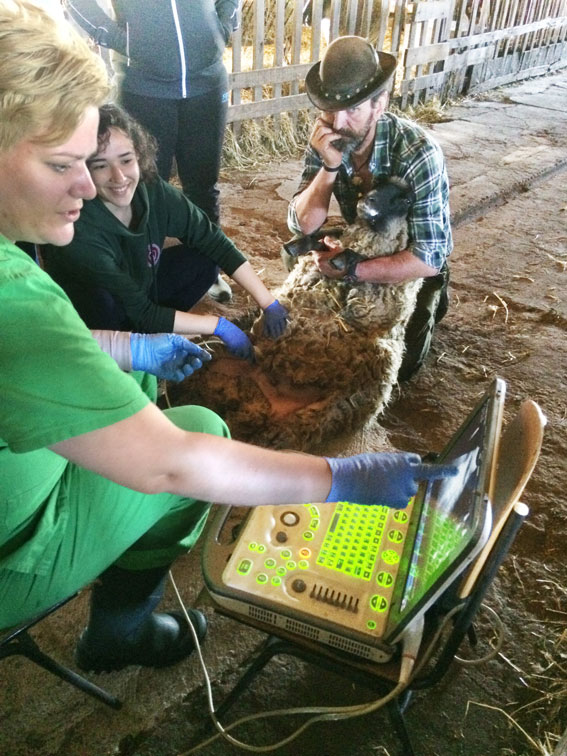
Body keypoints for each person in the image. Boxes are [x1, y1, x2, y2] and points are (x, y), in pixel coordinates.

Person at [0, 2, 456, 674]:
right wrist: (334, 478)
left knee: (161, 377)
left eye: (94, 160)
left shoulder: (417, 151)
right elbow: (170, 463)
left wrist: (129, 348)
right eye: (66, 164)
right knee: (198, 435)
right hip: (17, 544)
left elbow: (427, 253)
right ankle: (119, 629)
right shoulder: (23, 288)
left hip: (379, 274)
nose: (88, 185)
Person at [43, 103, 289, 362]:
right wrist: (219, 326)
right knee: (102, 302)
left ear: (139, 155)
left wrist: (268, 303)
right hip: (98, 316)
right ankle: (127, 351)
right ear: (83, 169)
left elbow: (212, 239)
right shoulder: (80, 227)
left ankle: (157, 331)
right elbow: (142, 311)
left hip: (141, 288)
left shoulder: (151, 189)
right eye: (100, 165)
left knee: (203, 260)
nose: (119, 176)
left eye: (126, 160)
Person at [288, 36, 453, 382]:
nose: (338, 121)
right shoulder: (327, 139)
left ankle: (434, 300)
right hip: (360, 239)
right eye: (330, 108)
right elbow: (303, 224)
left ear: (380, 105)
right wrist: (329, 167)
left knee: (392, 366)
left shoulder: (418, 153)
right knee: (299, 285)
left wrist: (352, 270)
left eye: (353, 109)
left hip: (409, 261)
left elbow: (427, 257)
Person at [64, 0, 240, 302]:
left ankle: (209, 271)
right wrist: (120, 38)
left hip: (207, 83)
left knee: (203, 185)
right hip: (144, 87)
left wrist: (221, 27)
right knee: (142, 188)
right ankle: (143, 278)